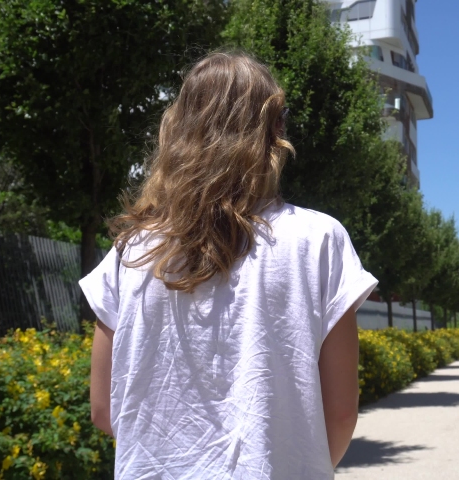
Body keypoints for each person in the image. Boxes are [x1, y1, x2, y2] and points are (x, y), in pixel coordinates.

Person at [80, 52, 378, 479]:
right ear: (274, 130)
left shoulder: (132, 250)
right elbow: (341, 413)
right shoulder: (320, 240)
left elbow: (105, 410)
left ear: (177, 128)